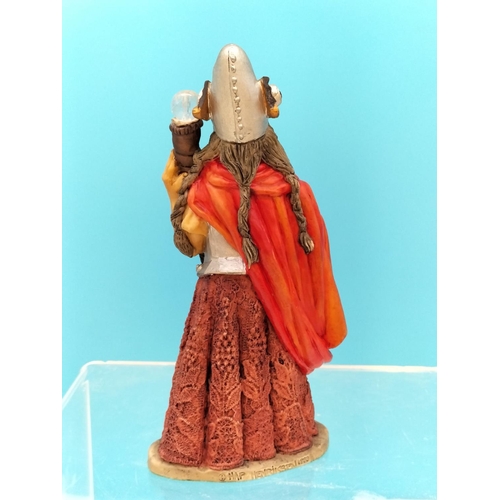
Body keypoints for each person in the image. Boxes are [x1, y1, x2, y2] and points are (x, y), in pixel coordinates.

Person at [158, 44, 347, 471]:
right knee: (266, 373)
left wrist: (183, 161)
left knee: (220, 376)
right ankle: (274, 437)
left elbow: (189, 239)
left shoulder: (205, 184)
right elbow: (304, 252)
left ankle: (225, 444)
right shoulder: (287, 188)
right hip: (271, 298)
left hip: (218, 299)